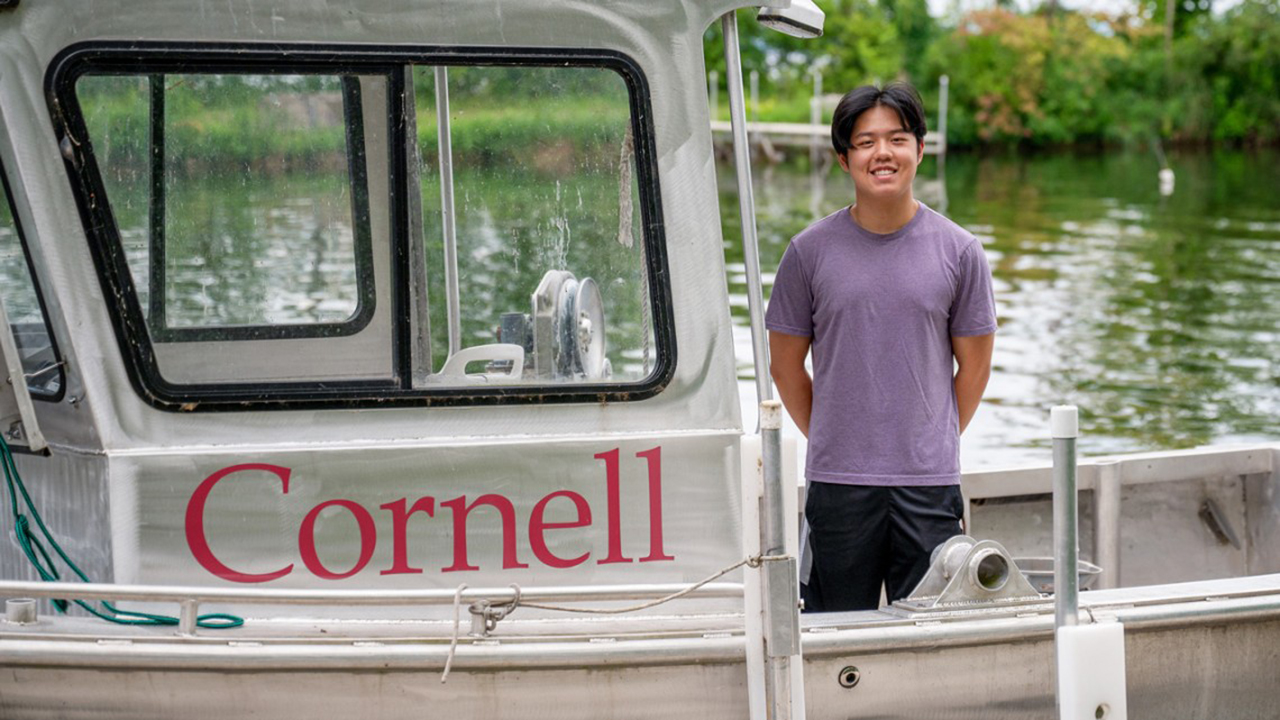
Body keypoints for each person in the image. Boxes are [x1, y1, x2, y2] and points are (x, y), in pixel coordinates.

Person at [765, 82, 996, 612]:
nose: (882, 153)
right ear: (844, 158)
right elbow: (785, 367)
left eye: (897, 138)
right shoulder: (807, 253)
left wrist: (924, 439)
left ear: (919, 148)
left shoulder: (961, 252)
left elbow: (976, 368)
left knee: (931, 635)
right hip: (838, 486)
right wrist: (838, 438)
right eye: (866, 142)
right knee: (834, 635)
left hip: (929, 486)